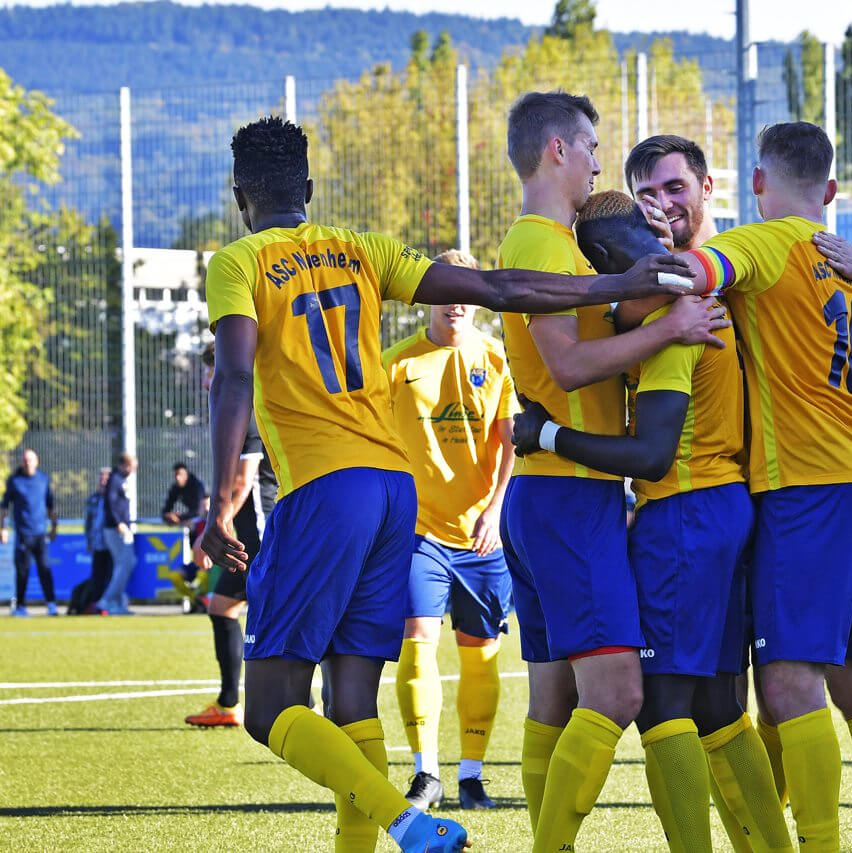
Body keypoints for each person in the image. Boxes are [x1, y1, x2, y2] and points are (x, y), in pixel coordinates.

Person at [199, 116, 697, 853]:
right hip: (393, 492)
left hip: (322, 487)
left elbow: (235, 372)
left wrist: (218, 502)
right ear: (309, 189)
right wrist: (619, 280)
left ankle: (405, 820)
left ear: (240, 195)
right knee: (352, 703)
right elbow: (499, 287)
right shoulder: (361, 249)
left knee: (271, 706)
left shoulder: (237, 262)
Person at [616, 121, 852, 852]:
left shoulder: (758, 242)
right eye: (646, 194)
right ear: (833, 191)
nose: (663, 202)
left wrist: (628, 246)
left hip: (802, 487)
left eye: (673, 190)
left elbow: (693, 275)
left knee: (785, 687)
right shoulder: (835, 256)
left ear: (748, 184)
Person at [516, 185, 793, 853]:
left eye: (600, 276)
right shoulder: (689, 300)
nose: (602, 298)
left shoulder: (678, 315)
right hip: (718, 509)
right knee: (721, 708)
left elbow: (651, 451)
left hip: (685, 516)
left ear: (616, 258)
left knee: (664, 708)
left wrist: (548, 435)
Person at [495, 92, 729, 853]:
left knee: (554, 698)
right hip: (568, 495)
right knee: (623, 691)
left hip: (548, 492)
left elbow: (616, 317)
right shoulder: (538, 243)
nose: (601, 160)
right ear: (557, 149)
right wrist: (676, 325)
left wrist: (656, 279)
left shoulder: (563, 244)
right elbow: (566, 364)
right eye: (592, 145)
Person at [383, 249, 518, 811]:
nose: (457, 301)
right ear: (428, 296)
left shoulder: (496, 358)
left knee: (480, 653)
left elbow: (511, 442)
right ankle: (426, 772)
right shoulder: (395, 363)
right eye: (447, 289)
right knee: (418, 639)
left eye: (468, 290)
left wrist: (494, 510)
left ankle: (471, 774)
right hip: (418, 534)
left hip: (483, 533)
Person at [185, 340, 278, 728]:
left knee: (263, 613)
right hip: (249, 531)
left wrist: (213, 526)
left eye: (211, 370)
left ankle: (295, 702)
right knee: (229, 607)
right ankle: (232, 704)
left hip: (256, 532)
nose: (209, 378)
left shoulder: (248, 412)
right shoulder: (242, 410)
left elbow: (243, 484)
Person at [1, 449, 58, 617]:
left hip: (40, 534)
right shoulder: (15, 480)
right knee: (22, 571)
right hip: (23, 534)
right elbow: (4, 507)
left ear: (37, 461)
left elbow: (51, 506)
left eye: (30, 459)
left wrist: (54, 527)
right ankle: (20, 606)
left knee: (45, 569)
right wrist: (2, 528)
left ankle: (52, 604)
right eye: (25, 460)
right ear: (21, 462)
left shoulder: (43, 479)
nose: (27, 462)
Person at [96, 453, 138, 616]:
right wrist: (118, 523)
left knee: (124, 565)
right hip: (115, 529)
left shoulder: (121, 480)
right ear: (123, 465)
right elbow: (111, 504)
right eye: (131, 467)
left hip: (122, 528)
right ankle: (107, 599)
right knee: (126, 563)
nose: (133, 471)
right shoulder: (115, 480)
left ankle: (118, 603)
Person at [79, 467, 113, 614]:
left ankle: (109, 605)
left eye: (106, 478)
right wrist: (89, 541)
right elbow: (88, 523)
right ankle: (96, 605)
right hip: (98, 544)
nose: (103, 481)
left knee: (111, 575)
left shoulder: (115, 498)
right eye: (101, 478)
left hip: (113, 544)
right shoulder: (93, 499)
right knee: (98, 576)